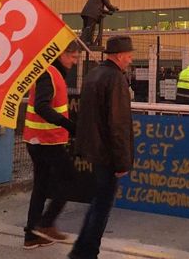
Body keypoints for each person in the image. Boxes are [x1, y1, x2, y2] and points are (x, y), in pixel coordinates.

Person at [69, 35, 135, 259]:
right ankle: (87, 253)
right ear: (118, 56)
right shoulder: (115, 79)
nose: (130, 59)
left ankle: (80, 250)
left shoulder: (94, 74)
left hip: (93, 150)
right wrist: (122, 161)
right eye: (128, 55)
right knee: (102, 206)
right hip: (107, 154)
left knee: (98, 202)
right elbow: (118, 124)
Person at [22, 41, 81, 249]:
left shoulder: (51, 73)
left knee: (41, 186)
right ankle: (45, 224)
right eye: (73, 57)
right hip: (46, 141)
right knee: (70, 179)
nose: (74, 62)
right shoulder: (49, 74)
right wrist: (68, 125)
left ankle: (31, 235)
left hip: (38, 139)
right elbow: (41, 106)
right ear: (62, 54)